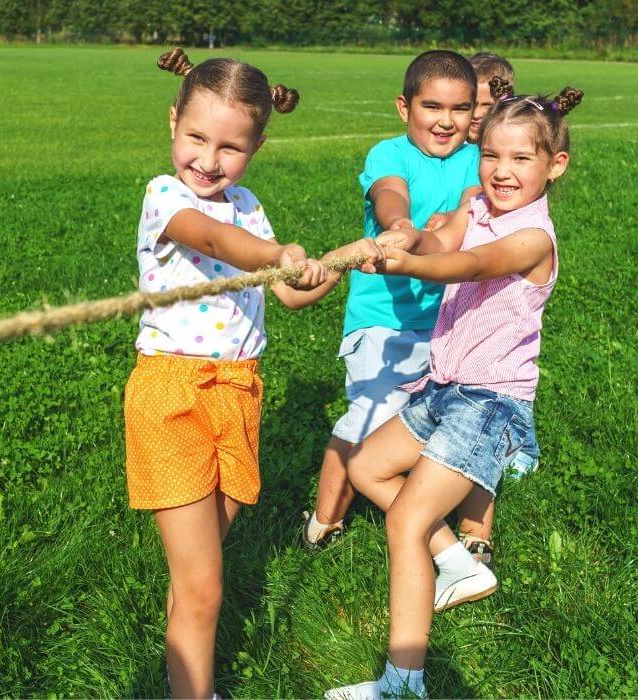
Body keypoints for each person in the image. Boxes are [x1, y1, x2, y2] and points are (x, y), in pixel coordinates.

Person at [126, 47, 375, 699]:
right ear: (172, 121)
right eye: (196, 138)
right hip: (173, 396)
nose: (208, 161)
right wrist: (277, 254)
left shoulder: (251, 206)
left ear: (256, 146)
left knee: (200, 572)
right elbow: (210, 240)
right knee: (204, 582)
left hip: (237, 395)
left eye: (230, 147)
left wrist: (334, 265)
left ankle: (186, 672)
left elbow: (288, 294)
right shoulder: (166, 197)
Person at [324, 78, 583, 700]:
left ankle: (402, 683)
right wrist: (404, 239)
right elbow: (444, 242)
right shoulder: (477, 205)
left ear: (556, 166)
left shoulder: (531, 239)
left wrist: (409, 264)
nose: (502, 170)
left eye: (522, 158)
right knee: (366, 466)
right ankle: (458, 562)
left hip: (488, 403)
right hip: (443, 385)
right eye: (492, 154)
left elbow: (466, 265)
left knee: (407, 523)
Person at [302, 51, 480, 550]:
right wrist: (399, 225)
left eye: (460, 109)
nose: (446, 121)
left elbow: (470, 209)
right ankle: (324, 521)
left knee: (449, 425)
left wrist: (444, 227)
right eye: (432, 106)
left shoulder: (474, 161)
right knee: (368, 418)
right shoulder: (389, 153)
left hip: (449, 323)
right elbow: (389, 195)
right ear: (404, 107)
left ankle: (457, 527)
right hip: (383, 322)